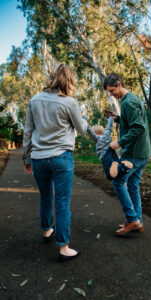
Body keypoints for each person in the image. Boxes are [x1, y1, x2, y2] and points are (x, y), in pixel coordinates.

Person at [23, 64, 88, 261]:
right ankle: (64, 248)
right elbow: (82, 129)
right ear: (68, 81)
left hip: (38, 159)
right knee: (61, 202)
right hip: (61, 158)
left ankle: (46, 231)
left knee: (45, 197)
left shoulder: (34, 100)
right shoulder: (69, 102)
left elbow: (28, 132)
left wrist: (26, 158)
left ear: (52, 78)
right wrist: (84, 119)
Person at [103, 73, 151, 235]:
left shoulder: (128, 103)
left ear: (118, 84)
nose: (111, 94)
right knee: (132, 185)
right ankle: (137, 221)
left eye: (112, 90)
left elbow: (139, 128)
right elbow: (131, 121)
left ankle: (132, 219)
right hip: (142, 152)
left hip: (133, 153)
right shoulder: (130, 98)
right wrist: (116, 118)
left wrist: (119, 142)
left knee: (118, 181)